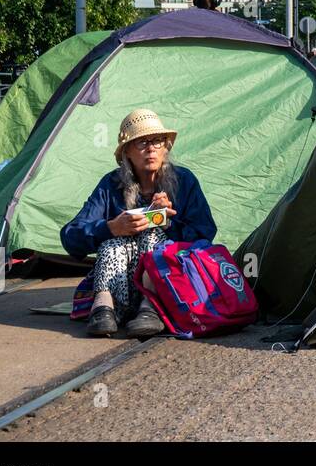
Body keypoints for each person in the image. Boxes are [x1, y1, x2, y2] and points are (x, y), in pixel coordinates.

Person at [61, 108, 216, 338]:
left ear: (166, 148)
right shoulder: (111, 185)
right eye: (142, 142)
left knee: (153, 236)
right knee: (112, 242)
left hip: (168, 286)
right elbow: (70, 236)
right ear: (127, 152)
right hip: (120, 287)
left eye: (157, 141)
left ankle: (150, 308)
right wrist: (111, 228)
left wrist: (168, 224)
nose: (151, 148)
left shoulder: (184, 181)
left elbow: (205, 234)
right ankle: (103, 307)